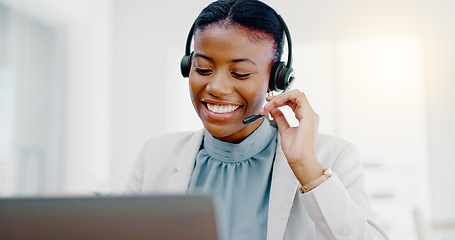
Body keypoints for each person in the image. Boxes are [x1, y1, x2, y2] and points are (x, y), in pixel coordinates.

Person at [125, 0, 389, 239]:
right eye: (203, 68)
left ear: (277, 79)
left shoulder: (332, 156)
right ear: (187, 66)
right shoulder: (155, 156)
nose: (216, 87)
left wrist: (306, 167)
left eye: (240, 73)